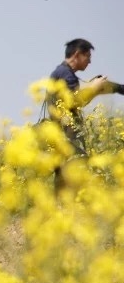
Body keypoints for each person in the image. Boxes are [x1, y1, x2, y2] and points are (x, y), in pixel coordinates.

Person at [41, 38, 116, 190]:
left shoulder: (61, 72)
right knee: (75, 180)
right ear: (77, 55)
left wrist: (105, 89)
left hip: (60, 139)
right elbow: (74, 101)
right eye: (87, 56)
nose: (89, 61)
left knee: (63, 185)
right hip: (66, 139)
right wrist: (93, 88)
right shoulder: (66, 74)